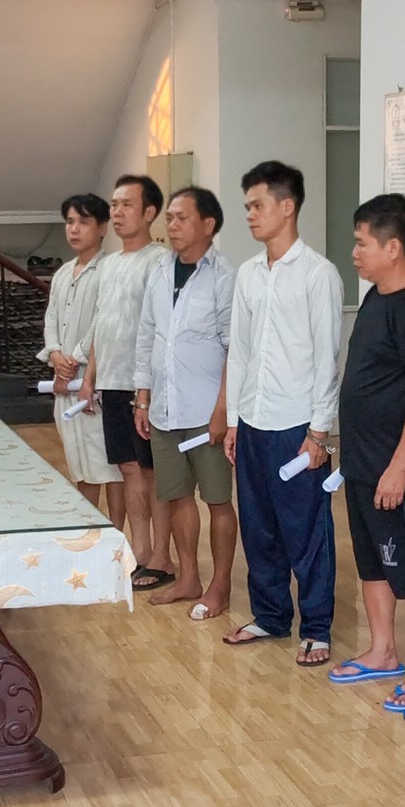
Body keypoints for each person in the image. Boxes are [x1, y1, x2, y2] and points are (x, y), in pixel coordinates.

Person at [325, 194, 405, 710]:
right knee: (372, 563)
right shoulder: (375, 297)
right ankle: (382, 651)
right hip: (360, 463)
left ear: (392, 247)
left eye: (362, 243)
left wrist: (398, 466)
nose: (354, 253)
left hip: (397, 471)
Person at [221, 160, 344, 667]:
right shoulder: (248, 273)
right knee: (259, 527)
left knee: (307, 530)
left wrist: (319, 432)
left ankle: (316, 628)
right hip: (253, 420)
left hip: (298, 425)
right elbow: (240, 352)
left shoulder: (318, 274)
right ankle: (270, 616)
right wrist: (234, 419)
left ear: (287, 207)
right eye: (247, 206)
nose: (250, 214)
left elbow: (327, 358)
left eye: (258, 205)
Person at [133, 186, 238, 619]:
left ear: (208, 225)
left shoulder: (224, 276)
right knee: (176, 497)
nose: (172, 225)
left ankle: (220, 586)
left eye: (182, 218)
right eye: (170, 218)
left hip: (206, 410)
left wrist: (222, 411)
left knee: (217, 500)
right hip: (164, 408)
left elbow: (235, 349)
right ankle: (189, 577)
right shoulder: (160, 270)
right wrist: (142, 398)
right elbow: (147, 335)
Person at [95, 174, 175, 591]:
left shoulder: (159, 261)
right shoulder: (109, 264)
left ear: (149, 212)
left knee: (151, 471)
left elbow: (161, 328)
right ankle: (139, 554)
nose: (118, 212)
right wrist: (91, 378)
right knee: (128, 468)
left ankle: (162, 557)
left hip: (143, 385)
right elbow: (101, 325)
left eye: (127, 204)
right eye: (114, 204)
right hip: (111, 381)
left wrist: (147, 390)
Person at [40, 194, 115, 506]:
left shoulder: (109, 269)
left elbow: (102, 320)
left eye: (84, 222)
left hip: (94, 380)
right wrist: (56, 354)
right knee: (79, 465)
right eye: (70, 222)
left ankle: (114, 528)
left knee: (108, 468)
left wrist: (76, 359)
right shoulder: (62, 273)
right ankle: (89, 524)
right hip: (64, 381)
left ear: (102, 228)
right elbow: (51, 319)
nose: (74, 229)